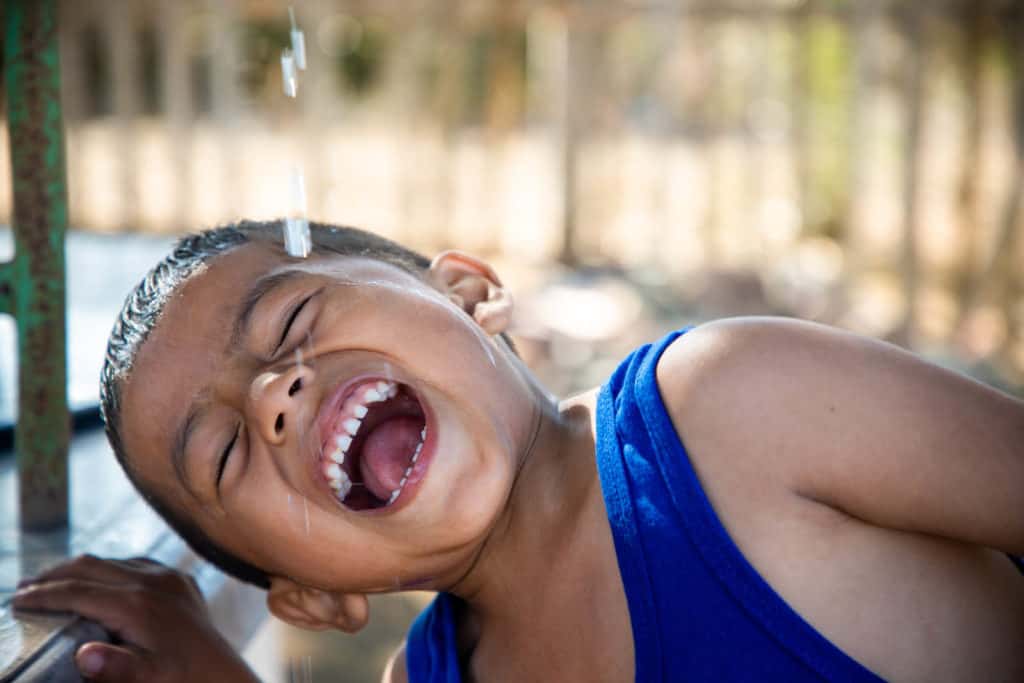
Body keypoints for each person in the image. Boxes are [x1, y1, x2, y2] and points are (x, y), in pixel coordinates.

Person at [12, 220, 1024, 683]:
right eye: (226, 451)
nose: (274, 395)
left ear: (465, 288)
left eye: (293, 316)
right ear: (311, 598)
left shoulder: (731, 406)